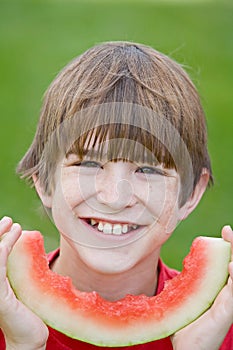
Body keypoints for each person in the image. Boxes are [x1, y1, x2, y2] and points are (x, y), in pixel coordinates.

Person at [0, 41, 232, 350]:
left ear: (191, 194)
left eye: (149, 170)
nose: (114, 197)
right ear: (43, 180)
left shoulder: (220, 328)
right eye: (89, 163)